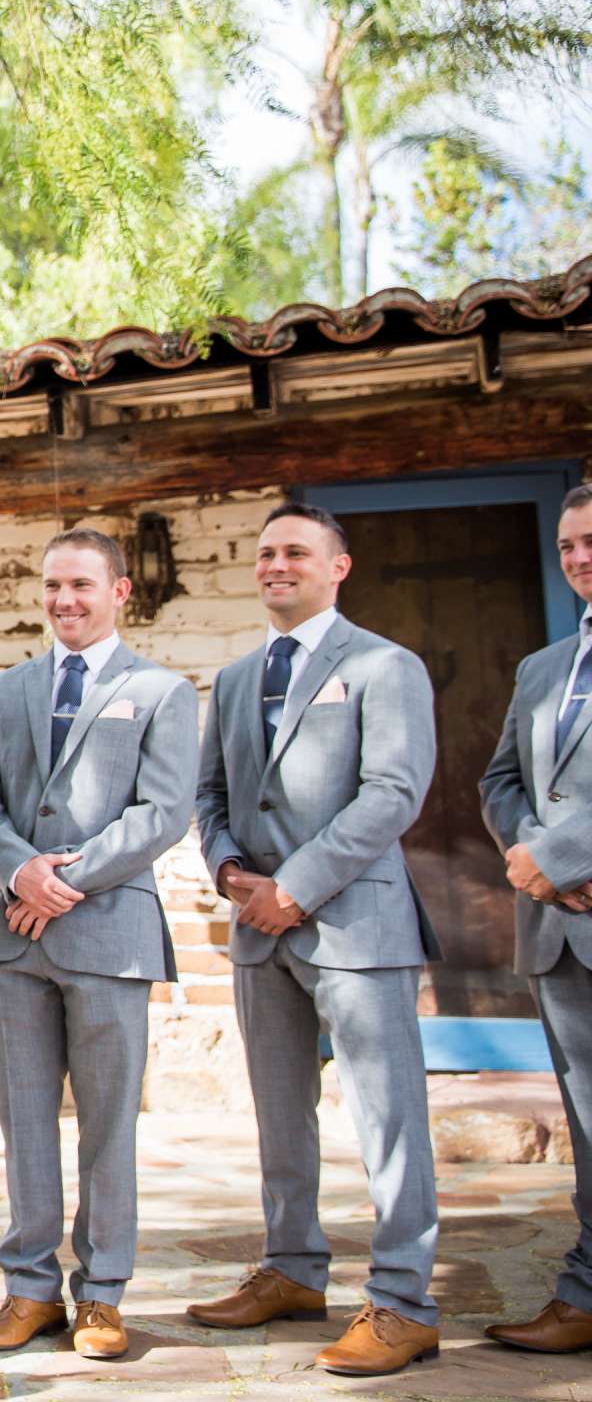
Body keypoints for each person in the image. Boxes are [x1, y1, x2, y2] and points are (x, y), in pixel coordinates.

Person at [187, 501, 441, 1378]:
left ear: (339, 566)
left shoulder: (383, 664)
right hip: (258, 930)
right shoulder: (231, 678)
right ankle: (292, 1269)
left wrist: (295, 886)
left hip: (356, 926)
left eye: (296, 551)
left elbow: (392, 793)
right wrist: (229, 874)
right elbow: (211, 797)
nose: (275, 565)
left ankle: (405, 1301)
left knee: (389, 1119)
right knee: (279, 1113)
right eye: (264, 554)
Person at [0, 528, 195, 1361]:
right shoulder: (7, 687)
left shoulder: (161, 691)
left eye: (83, 586)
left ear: (120, 592)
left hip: (108, 933)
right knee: (24, 1122)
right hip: (15, 938)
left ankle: (101, 1295)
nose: (65, 600)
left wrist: (68, 879)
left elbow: (162, 813)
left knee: (106, 1126)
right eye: (54, 585)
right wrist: (18, 871)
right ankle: (28, 1290)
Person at [481, 481, 592, 1353]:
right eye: (567, 546)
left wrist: (564, 859)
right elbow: (502, 782)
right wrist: (533, 860)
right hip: (557, 932)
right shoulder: (542, 669)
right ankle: (586, 1292)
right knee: (586, 1122)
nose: (580, 557)